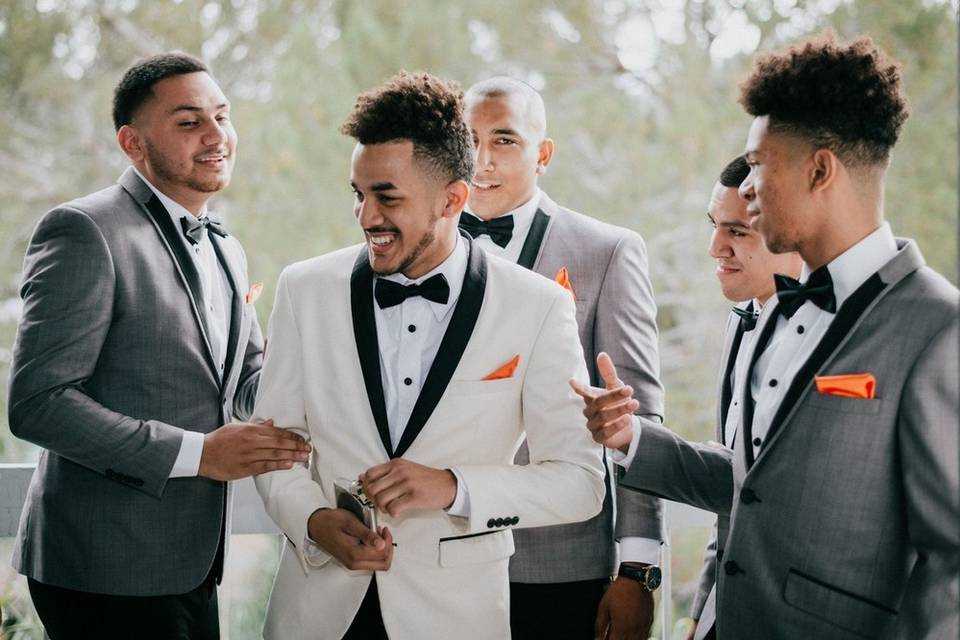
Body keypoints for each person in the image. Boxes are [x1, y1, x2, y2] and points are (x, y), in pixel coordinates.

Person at [576, 35, 958, 639]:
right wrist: (631, 439)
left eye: (758, 163)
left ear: (820, 169)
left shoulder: (939, 329)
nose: (747, 188)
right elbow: (747, 485)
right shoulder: (768, 314)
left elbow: (952, 569)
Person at [252, 71, 605, 640]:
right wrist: (313, 520)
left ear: (453, 198)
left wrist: (454, 486)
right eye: (359, 195)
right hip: (317, 612)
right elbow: (275, 445)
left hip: (455, 617)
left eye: (387, 197)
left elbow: (580, 482)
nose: (367, 217)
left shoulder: (537, 307)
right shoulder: (303, 289)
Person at [8, 52, 311, 639]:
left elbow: (246, 380)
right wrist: (201, 454)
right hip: (104, 568)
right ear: (132, 142)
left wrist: (317, 355)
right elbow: (38, 403)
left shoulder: (226, 244)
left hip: (194, 561)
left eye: (222, 116)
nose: (216, 136)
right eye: (189, 121)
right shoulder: (83, 230)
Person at [461, 76, 665, 640]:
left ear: (543, 154)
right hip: (437, 561)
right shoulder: (420, 248)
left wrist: (638, 570)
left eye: (503, 140)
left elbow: (638, 417)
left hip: (559, 565)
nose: (481, 160)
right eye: (467, 138)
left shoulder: (606, 251)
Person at [687, 155, 801, 640]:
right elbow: (734, 497)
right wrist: (701, 613)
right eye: (715, 226)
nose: (715, 247)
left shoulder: (841, 338)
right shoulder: (742, 318)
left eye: (737, 232)